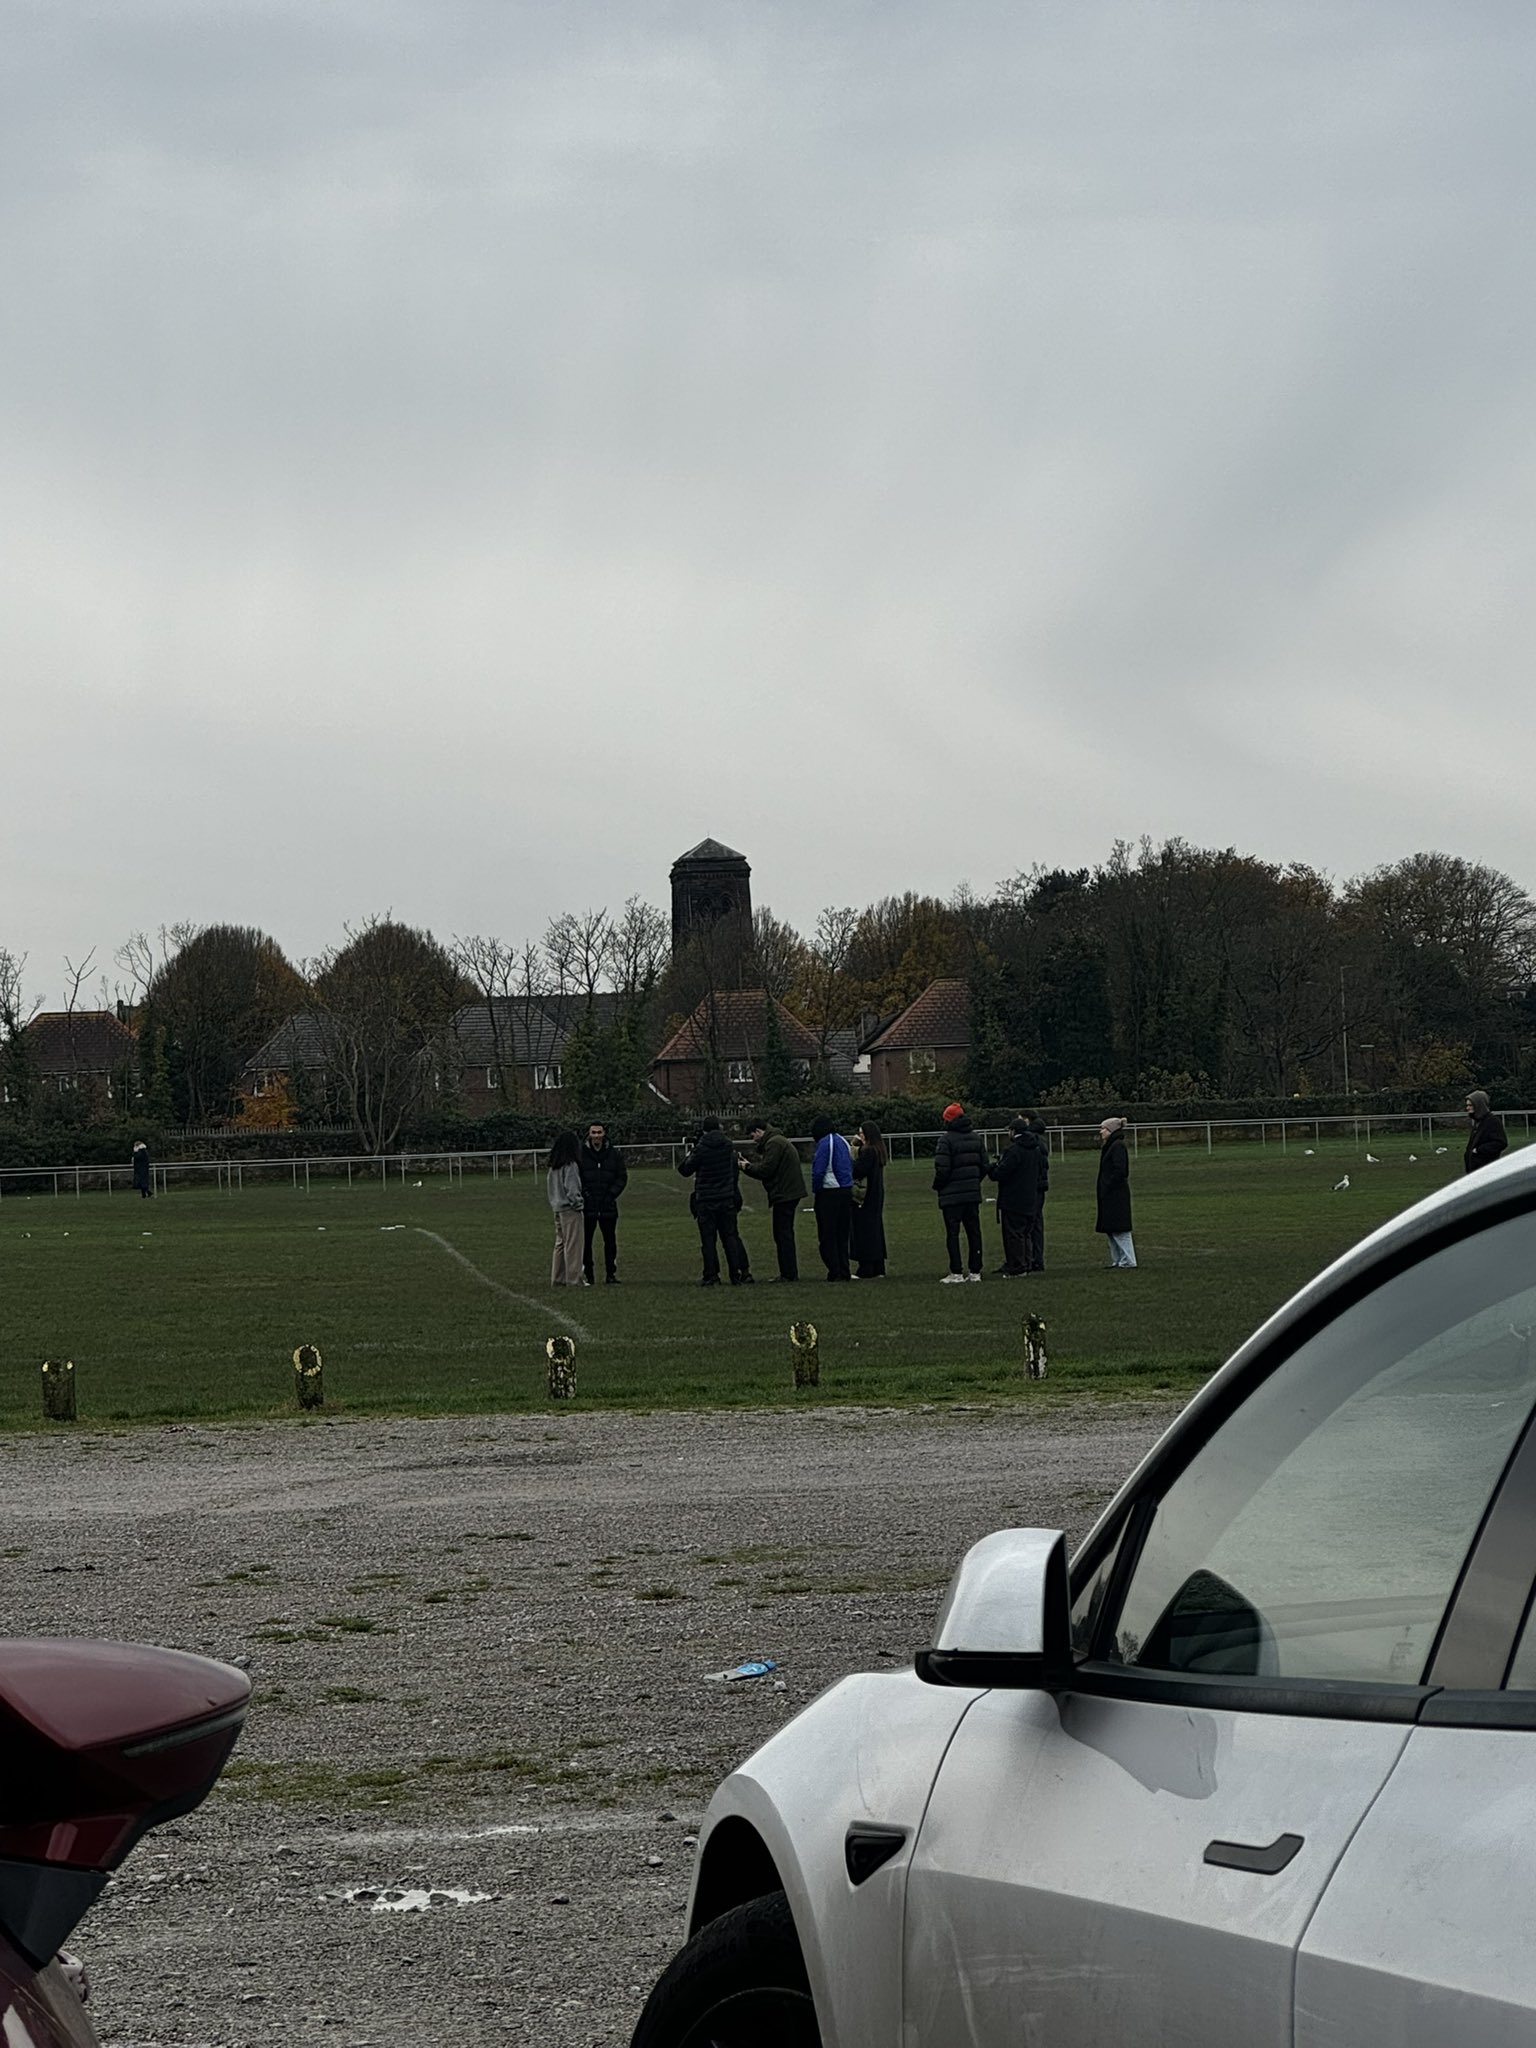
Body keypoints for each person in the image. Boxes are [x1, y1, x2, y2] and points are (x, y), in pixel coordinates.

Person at [679, 1117, 751, 1286]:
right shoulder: (728, 1146)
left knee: (708, 1240)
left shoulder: (702, 1148)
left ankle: (712, 1275)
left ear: (704, 1130)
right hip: (726, 1198)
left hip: (706, 1198)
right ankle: (736, 1274)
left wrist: (691, 1151)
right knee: (730, 1237)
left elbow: (685, 1170)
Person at [740, 1117, 806, 1281]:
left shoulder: (774, 1143)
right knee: (784, 1233)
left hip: (785, 1194)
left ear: (758, 1132)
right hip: (789, 1192)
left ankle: (788, 1274)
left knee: (782, 1234)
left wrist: (746, 1167)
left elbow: (766, 1170)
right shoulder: (778, 1140)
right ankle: (789, 1272)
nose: (753, 1140)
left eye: (752, 1136)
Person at [933, 1101, 988, 1283]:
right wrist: (973, 1182)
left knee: (953, 1234)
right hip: (972, 1193)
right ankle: (975, 1271)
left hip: (951, 1195)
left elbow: (943, 1169)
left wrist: (939, 1186)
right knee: (974, 1232)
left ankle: (956, 1272)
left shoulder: (946, 1140)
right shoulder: (977, 1138)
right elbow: (983, 1166)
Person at [988, 1116, 1041, 1275]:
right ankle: (1027, 1263)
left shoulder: (1014, 1150)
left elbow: (1002, 1173)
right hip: (1030, 1196)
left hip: (1013, 1198)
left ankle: (1017, 1266)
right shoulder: (1035, 1149)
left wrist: (992, 1168)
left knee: (1013, 1234)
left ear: (1013, 1131)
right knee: (1026, 1233)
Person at [578, 1121, 628, 1284]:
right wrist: (585, 1193)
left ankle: (611, 1274)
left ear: (604, 1134)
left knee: (610, 1241)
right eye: (594, 1132)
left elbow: (622, 1177)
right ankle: (589, 1274)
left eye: (599, 1132)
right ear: (589, 1134)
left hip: (607, 1205)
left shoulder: (614, 1154)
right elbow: (577, 1177)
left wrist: (612, 1194)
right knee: (586, 1242)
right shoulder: (581, 1154)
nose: (597, 1136)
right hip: (588, 1205)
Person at [809, 1114, 854, 1281]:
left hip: (829, 1191)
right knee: (842, 1234)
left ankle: (834, 1270)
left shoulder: (825, 1144)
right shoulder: (842, 1141)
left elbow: (819, 1170)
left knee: (827, 1234)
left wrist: (816, 1189)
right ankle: (844, 1269)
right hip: (846, 1190)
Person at [546, 1130, 586, 1286]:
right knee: (573, 1245)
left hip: (557, 1208)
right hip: (569, 1209)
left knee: (560, 1244)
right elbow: (572, 1188)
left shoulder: (554, 1166)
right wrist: (579, 1204)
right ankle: (574, 1279)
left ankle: (558, 1277)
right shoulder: (570, 1165)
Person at [1096, 1116, 1136, 1267]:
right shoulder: (1111, 1146)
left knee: (1120, 1229)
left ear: (1111, 1130)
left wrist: (1108, 1184)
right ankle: (1118, 1260)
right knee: (1111, 1229)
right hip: (1109, 1193)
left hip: (1115, 1194)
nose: (1101, 1132)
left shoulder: (1117, 1146)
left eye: (1103, 1129)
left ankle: (1128, 1260)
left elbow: (1120, 1170)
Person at [850, 1121, 888, 1278]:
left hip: (866, 1197)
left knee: (864, 1231)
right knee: (875, 1229)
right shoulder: (878, 1150)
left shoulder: (868, 1152)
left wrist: (853, 1149)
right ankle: (878, 1267)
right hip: (876, 1194)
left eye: (861, 1133)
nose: (860, 1136)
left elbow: (858, 1170)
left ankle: (866, 1268)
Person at [1465, 1090, 1509, 1174]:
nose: (1467, 1108)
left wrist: (1478, 1150)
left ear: (1479, 1105)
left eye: (1470, 1105)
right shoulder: (1478, 1122)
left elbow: (1501, 1142)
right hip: (1475, 1171)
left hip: (1486, 1170)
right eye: (1467, 1105)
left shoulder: (1492, 1121)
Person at [1027, 1113, 1050, 1272]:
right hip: (1040, 1186)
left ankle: (1033, 1259)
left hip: (1034, 1187)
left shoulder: (1034, 1141)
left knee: (1031, 1223)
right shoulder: (1040, 1140)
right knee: (1036, 1224)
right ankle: (1035, 1258)